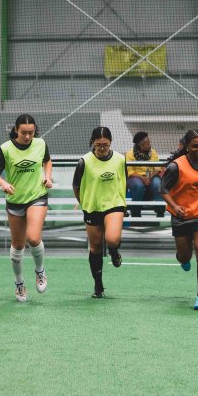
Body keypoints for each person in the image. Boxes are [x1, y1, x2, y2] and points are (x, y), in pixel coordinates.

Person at [0, 114, 52, 302]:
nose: (27, 136)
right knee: (17, 244)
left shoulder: (40, 144)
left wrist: (47, 177)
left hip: (37, 196)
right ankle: (19, 283)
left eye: (31, 133)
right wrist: (3, 184)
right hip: (15, 199)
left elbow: (47, 161)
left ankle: (40, 271)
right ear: (16, 130)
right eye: (24, 132)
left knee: (33, 237)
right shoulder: (6, 148)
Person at [161, 129, 198, 310]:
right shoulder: (176, 167)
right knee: (184, 255)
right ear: (187, 147)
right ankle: (183, 259)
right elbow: (163, 190)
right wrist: (175, 206)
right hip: (182, 216)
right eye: (195, 146)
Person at [72, 127, 127, 298]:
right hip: (92, 207)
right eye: (98, 145)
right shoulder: (84, 162)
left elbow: (123, 180)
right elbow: (76, 185)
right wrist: (83, 202)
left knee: (111, 239)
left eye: (106, 145)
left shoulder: (119, 159)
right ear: (93, 143)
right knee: (95, 247)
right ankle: (98, 286)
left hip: (114, 204)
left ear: (110, 143)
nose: (102, 149)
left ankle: (114, 251)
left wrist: (122, 203)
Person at [125, 131, 164, 219]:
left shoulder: (153, 152)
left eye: (149, 143)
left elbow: (158, 168)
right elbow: (130, 171)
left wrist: (150, 176)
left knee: (157, 184)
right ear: (141, 146)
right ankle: (136, 212)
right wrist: (142, 178)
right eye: (147, 144)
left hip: (151, 176)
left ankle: (160, 211)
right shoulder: (130, 154)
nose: (149, 145)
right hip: (135, 176)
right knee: (138, 185)